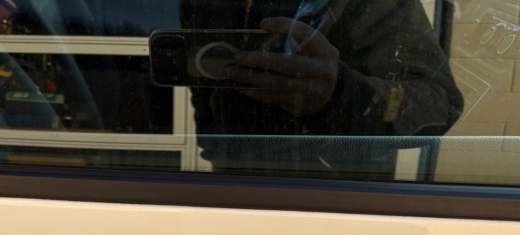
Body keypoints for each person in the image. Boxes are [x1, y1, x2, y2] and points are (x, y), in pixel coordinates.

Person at [180, 0, 464, 178]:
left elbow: (440, 103)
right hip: (234, 196)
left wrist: (339, 95)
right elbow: (206, 92)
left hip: (337, 205)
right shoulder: (199, 4)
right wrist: (216, 154)